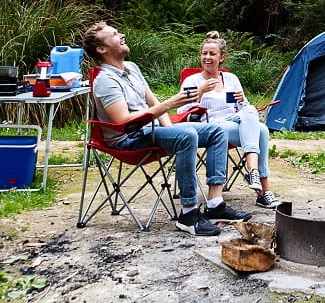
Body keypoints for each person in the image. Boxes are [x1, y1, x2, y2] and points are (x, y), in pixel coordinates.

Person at [82, 21, 253, 236]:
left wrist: (171, 129)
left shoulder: (132, 68)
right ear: (102, 49)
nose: (122, 34)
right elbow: (124, 123)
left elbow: (153, 102)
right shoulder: (105, 81)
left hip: (151, 130)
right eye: (115, 34)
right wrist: (172, 106)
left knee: (216, 131)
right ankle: (189, 214)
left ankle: (215, 204)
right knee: (187, 135)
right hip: (128, 139)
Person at [177, 31, 279, 209]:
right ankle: (261, 188)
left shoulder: (231, 79)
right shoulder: (192, 81)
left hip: (234, 121)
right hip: (212, 127)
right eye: (204, 53)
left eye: (212, 54)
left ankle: (254, 173)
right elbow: (182, 113)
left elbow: (241, 109)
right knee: (260, 130)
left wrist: (241, 101)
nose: (207, 57)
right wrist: (199, 93)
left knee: (253, 116)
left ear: (222, 57)